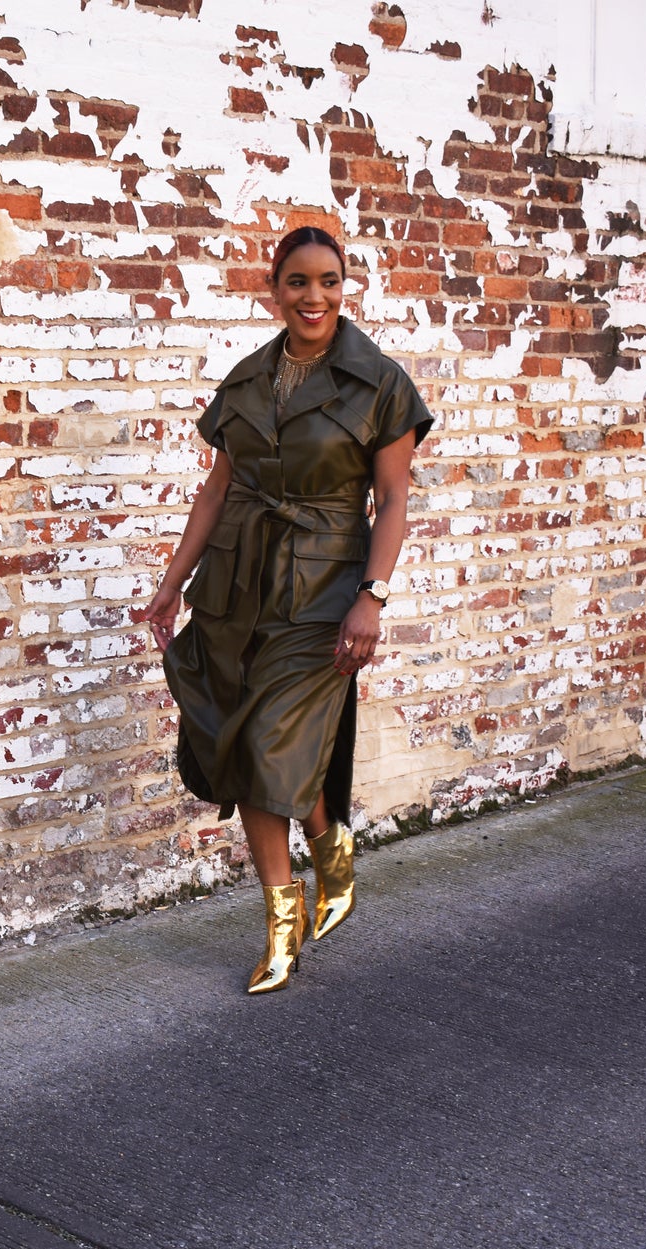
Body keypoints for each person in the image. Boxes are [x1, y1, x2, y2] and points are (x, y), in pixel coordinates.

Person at [144, 225, 431, 994]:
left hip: (326, 587)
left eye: (329, 281)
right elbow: (217, 491)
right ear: (274, 289)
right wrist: (174, 581)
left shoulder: (379, 384)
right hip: (238, 585)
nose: (315, 297)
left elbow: (395, 497)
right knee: (240, 747)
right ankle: (330, 848)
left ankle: (281, 928)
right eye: (298, 282)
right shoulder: (245, 382)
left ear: (345, 286)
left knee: (266, 749)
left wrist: (372, 596)